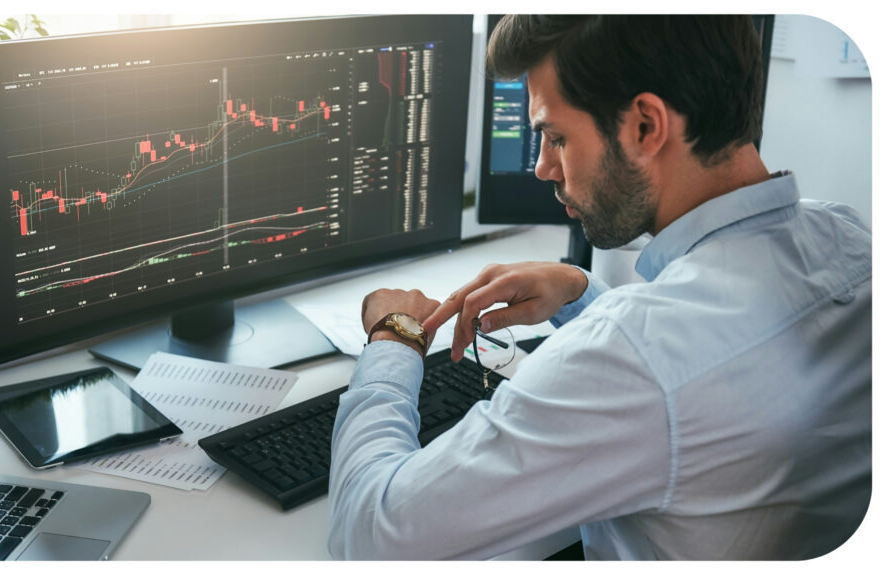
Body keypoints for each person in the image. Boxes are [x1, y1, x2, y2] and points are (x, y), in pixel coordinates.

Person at [326, 15, 872, 560]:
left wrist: (394, 337)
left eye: (556, 137)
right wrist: (579, 291)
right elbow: (702, 366)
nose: (542, 168)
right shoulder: (847, 239)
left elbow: (370, 538)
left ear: (645, 127)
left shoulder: (631, 358)